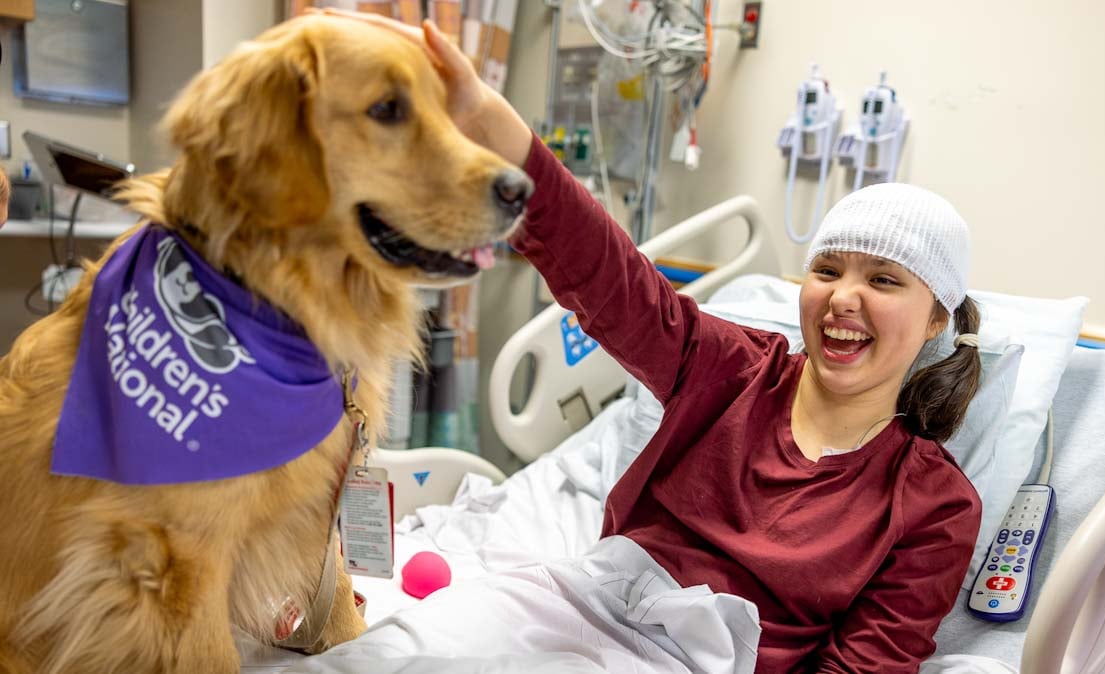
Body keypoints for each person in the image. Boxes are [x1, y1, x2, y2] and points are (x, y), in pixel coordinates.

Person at [322, 12, 984, 673]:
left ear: (935, 320)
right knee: (386, 656)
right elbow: (618, 285)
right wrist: (503, 136)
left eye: (884, 279)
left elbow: (866, 665)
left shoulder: (932, 506)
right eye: (828, 270)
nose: (844, 297)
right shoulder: (734, 369)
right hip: (578, 606)